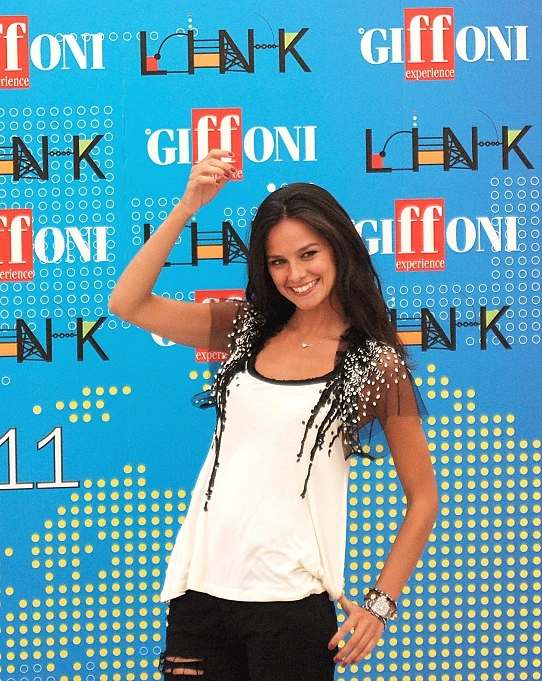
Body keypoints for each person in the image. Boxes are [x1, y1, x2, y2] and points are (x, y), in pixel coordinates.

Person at [109, 149, 438, 681]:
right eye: (278, 261)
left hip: (292, 609)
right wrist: (188, 206)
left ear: (339, 249)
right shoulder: (247, 327)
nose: (295, 274)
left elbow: (423, 498)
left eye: (308, 254)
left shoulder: (376, 362)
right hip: (198, 598)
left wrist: (379, 605)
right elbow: (128, 303)